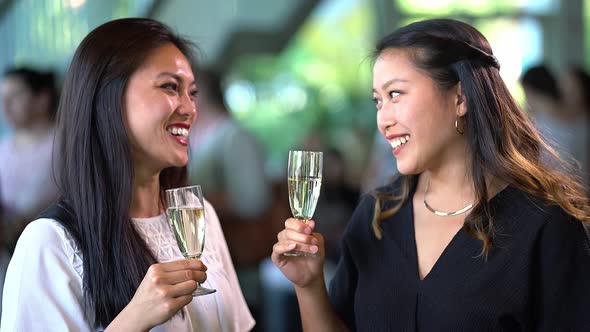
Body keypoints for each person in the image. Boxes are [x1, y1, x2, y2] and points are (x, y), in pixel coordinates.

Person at [271, 18, 590, 331]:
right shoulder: (376, 216)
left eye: (395, 94)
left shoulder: (545, 226)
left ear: (460, 98)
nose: (383, 119)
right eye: (377, 101)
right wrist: (309, 286)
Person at [1, 18, 254, 331]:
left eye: (192, 92)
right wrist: (134, 319)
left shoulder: (199, 219)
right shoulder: (49, 243)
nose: (190, 108)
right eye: (170, 87)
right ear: (108, 98)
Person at [0, 67, 60, 253]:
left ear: (42, 99)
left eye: (15, 96)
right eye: (3, 97)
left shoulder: (64, 145)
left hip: (49, 245)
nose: (6, 104)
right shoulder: (4, 146)